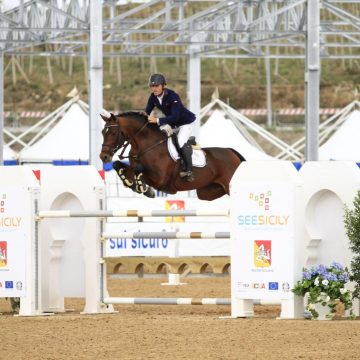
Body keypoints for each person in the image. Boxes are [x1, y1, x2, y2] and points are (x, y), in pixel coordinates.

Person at [145, 73, 196, 182]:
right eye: (152, 86)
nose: (154, 89)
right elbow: (146, 112)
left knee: (180, 141)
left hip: (185, 123)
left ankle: (189, 170)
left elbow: (175, 117)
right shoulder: (153, 97)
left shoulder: (173, 96)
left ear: (163, 86)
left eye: (157, 86)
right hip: (173, 124)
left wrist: (157, 120)